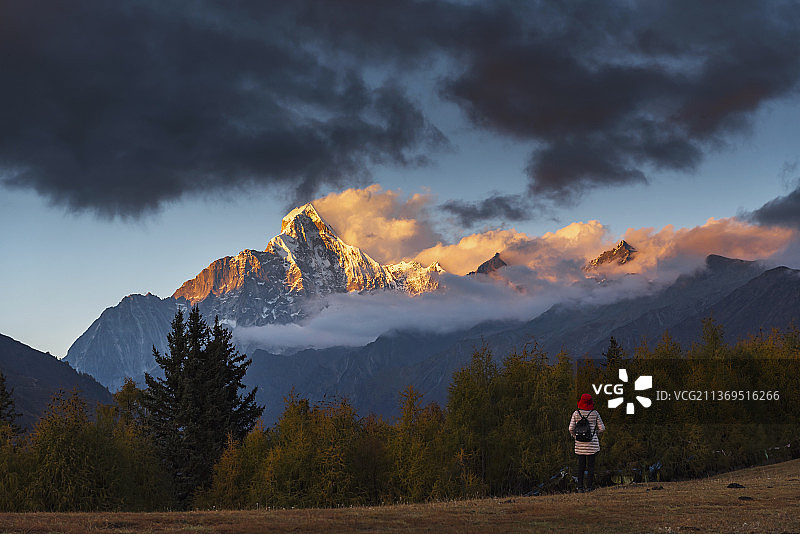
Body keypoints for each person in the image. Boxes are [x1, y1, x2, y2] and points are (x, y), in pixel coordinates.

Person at [569, 393, 605, 492]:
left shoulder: (576, 413)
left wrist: (576, 437)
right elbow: (602, 428)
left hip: (580, 445)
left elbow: (570, 428)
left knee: (581, 466)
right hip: (592, 445)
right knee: (591, 467)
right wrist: (595, 433)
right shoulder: (595, 413)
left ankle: (580, 487)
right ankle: (589, 487)